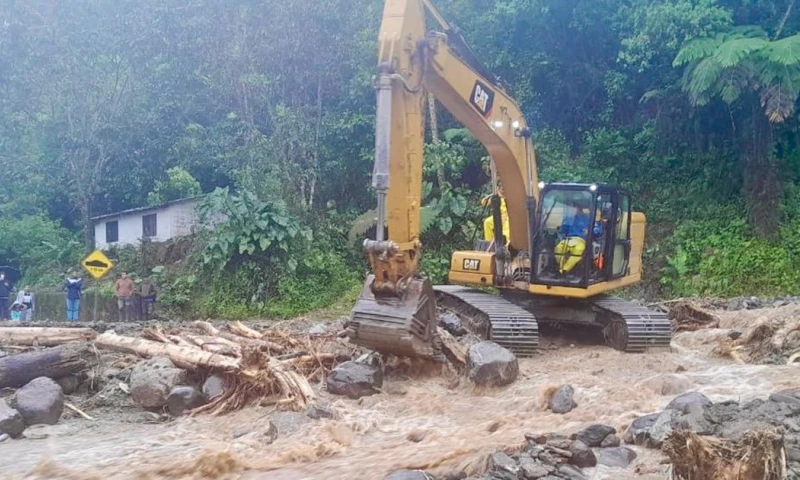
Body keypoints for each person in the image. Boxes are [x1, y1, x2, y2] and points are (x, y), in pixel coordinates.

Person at [554, 198, 603, 275]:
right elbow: (562, 230)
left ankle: (565, 270)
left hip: (581, 240)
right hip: (568, 239)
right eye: (571, 208)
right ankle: (561, 268)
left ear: (579, 208)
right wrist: (560, 228)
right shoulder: (568, 219)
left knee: (578, 250)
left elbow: (597, 229)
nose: (572, 210)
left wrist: (590, 231)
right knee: (558, 248)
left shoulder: (588, 218)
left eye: (574, 208)